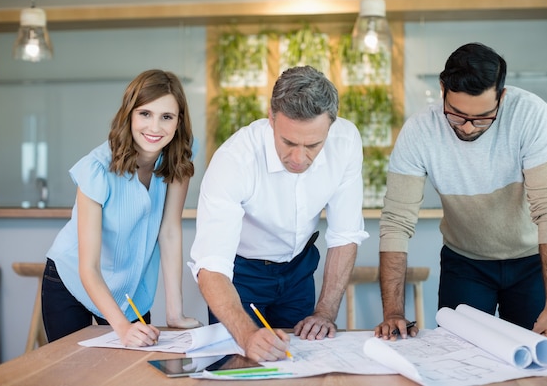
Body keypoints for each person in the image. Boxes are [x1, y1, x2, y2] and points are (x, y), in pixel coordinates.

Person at [376, 42, 547, 342]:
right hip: (464, 263)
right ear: (443, 90)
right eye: (456, 115)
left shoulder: (530, 115)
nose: (467, 128)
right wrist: (392, 312)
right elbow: (396, 222)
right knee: (458, 357)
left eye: (481, 119)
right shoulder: (419, 131)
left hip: (531, 261)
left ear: (501, 97)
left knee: (535, 357)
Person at [189, 65, 369, 362]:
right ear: (271, 118)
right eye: (288, 142)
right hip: (241, 276)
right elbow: (211, 265)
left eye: (313, 145)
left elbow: (345, 234)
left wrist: (325, 311)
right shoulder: (234, 161)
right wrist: (247, 335)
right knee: (240, 363)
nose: (299, 158)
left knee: (298, 362)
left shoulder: (346, 142)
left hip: (298, 271)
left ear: (331, 127)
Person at [42, 69, 202, 346]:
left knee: (132, 370)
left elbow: (170, 231)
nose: (155, 127)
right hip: (73, 282)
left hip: (131, 292)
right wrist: (123, 328)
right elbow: (88, 267)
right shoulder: (97, 169)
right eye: (145, 114)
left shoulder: (179, 157)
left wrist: (175, 313)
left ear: (179, 122)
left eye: (166, 116)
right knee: (74, 374)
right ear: (129, 115)